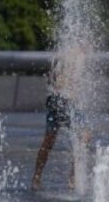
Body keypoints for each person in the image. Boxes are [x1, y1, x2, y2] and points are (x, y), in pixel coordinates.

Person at [31, 51, 89, 190]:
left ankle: (71, 178)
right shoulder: (66, 54)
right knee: (51, 141)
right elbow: (54, 79)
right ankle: (39, 177)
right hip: (60, 101)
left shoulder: (80, 56)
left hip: (69, 103)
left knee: (82, 137)